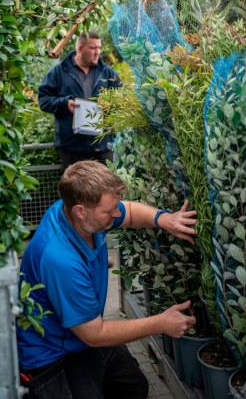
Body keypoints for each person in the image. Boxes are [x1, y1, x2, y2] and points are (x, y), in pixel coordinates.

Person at [17, 160, 197, 398]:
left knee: (133, 387)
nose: (116, 213)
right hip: (51, 354)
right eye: (109, 210)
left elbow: (130, 211)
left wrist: (164, 219)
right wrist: (161, 323)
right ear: (80, 211)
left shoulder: (82, 214)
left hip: (84, 330)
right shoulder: (60, 259)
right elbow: (94, 334)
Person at [38, 31, 122, 173]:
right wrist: (65, 104)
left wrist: (110, 106)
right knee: (74, 193)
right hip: (71, 150)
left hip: (102, 149)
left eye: (99, 48)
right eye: (92, 48)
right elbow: (44, 100)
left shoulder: (108, 73)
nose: (97, 52)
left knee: (105, 192)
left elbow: (122, 102)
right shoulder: (59, 72)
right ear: (80, 48)